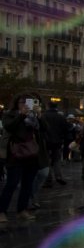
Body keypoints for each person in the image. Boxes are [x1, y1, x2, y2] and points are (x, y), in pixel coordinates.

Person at [1, 94, 43, 222]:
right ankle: (2, 211)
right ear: (16, 103)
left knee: (27, 184)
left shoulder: (33, 116)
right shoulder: (10, 114)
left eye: (28, 102)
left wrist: (40, 117)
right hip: (16, 153)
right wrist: (21, 115)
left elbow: (44, 129)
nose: (25, 105)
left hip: (31, 153)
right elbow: (9, 127)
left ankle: (22, 210)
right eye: (22, 102)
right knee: (12, 183)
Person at [40, 102, 68, 186]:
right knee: (57, 160)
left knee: (46, 160)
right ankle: (58, 176)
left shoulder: (43, 116)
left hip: (46, 140)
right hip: (57, 141)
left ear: (48, 106)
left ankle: (48, 179)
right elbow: (65, 129)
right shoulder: (61, 117)